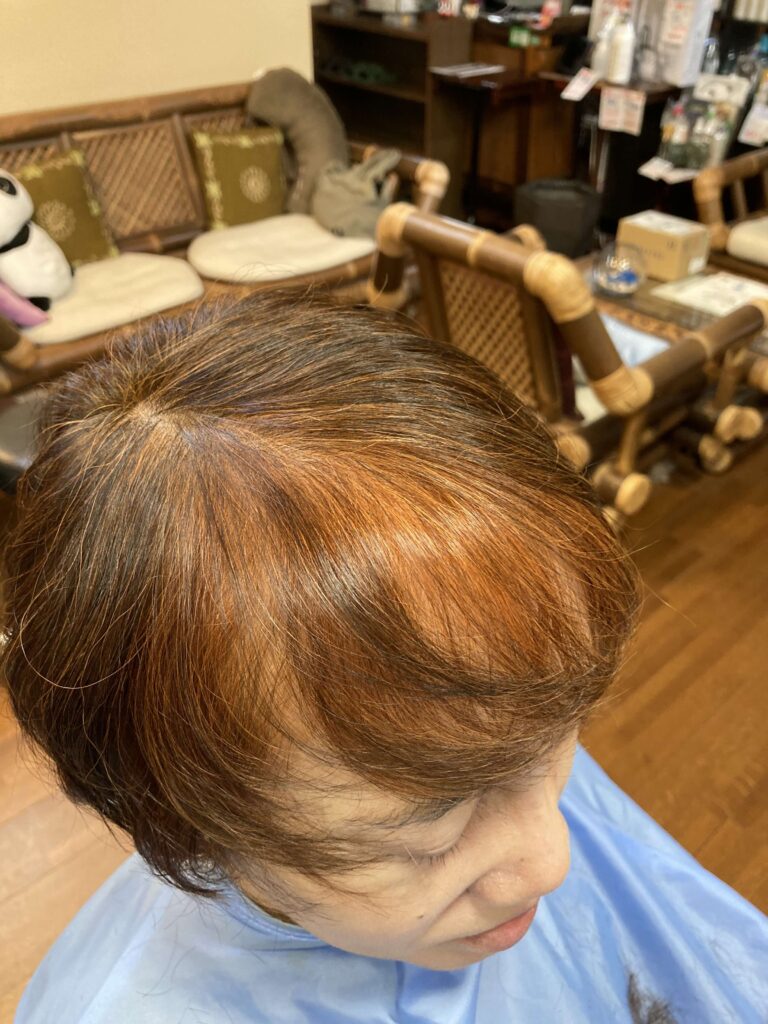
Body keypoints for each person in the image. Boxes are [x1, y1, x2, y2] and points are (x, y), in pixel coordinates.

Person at [3, 294, 766, 1024]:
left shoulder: (483, 732)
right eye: (428, 836)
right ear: (187, 825)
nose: (549, 861)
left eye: (562, 730)